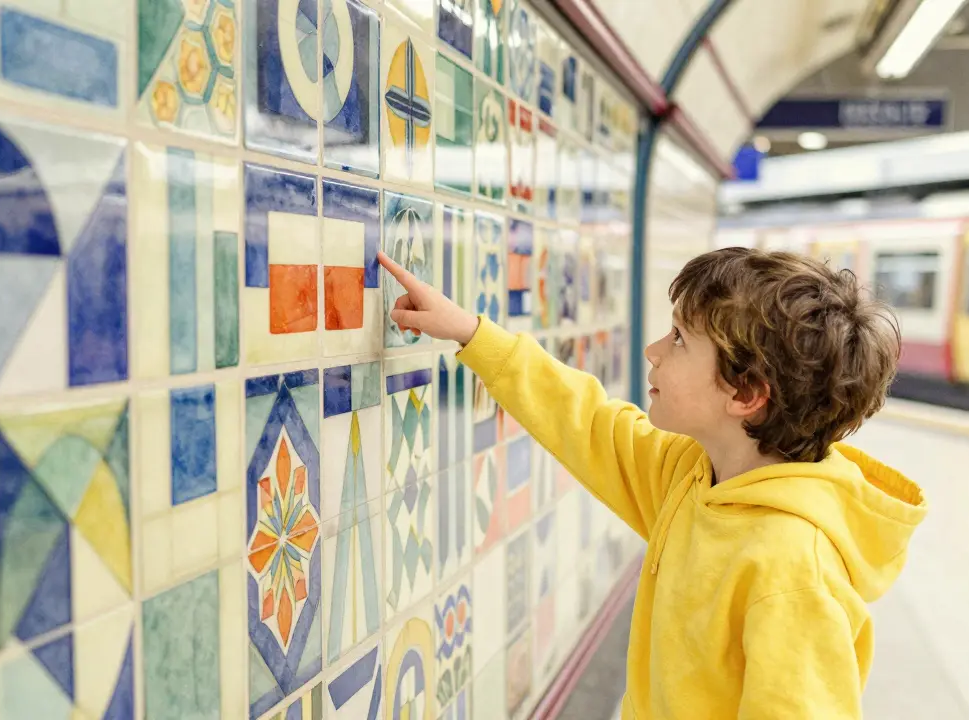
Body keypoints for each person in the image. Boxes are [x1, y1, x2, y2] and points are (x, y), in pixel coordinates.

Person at [378, 246, 928, 719]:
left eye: (680, 340)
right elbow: (587, 422)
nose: (653, 352)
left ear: (745, 394)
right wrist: (471, 334)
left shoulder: (792, 570)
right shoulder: (693, 475)